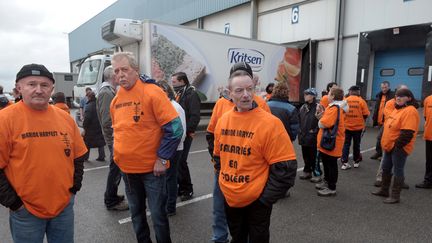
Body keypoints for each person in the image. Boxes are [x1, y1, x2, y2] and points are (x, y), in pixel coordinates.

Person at [0, 63, 87, 242]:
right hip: (26, 212)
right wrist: (14, 203)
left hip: (63, 207)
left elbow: (78, 156)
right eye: (32, 84)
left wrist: (73, 189)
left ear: (51, 89)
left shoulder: (64, 118)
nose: (39, 90)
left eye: (44, 85)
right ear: (19, 88)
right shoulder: (5, 119)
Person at [213, 68, 297, 243]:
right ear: (229, 94)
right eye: (239, 90)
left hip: (257, 201)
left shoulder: (270, 123)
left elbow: (286, 169)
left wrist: (263, 200)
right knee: (237, 237)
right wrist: (225, 185)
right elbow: (219, 159)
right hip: (230, 198)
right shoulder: (223, 121)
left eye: (250, 89)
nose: (246, 95)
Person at [110, 52, 183, 243]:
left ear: (136, 70)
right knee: (136, 215)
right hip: (127, 170)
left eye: (125, 69)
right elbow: (118, 130)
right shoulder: (116, 99)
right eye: (117, 71)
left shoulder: (152, 92)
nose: (121, 75)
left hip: (152, 170)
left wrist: (162, 158)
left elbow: (175, 129)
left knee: (158, 215)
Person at [206, 62, 272, 243]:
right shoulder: (221, 104)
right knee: (219, 206)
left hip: (250, 172)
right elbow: (211, 134)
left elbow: (268, 135)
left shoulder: (260, 104)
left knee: (252, 217)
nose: (244, 94)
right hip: (225, 170)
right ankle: (219, 237)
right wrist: (217, 163)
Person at [372, 88, 419, 203]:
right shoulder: (397, 109)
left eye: (402, 96)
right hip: (389, 146)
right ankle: (384, 190)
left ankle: (395, 196)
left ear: (409, 98)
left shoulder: (410, 111)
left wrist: (396, 146)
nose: (398, 98)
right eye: (397, 96)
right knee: (386, 168)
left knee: (398, 170)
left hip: (398, 148)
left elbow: (407, 133)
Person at [96, 66, 129, 211]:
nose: (121, 76)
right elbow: (107, 121)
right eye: (117, 73)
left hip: (115, 139)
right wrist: (115, 140)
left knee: (115, 169)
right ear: (112, 76)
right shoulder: (106, 92)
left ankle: (112, 196)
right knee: (115, 169)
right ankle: (111, 200)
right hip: (114, 140)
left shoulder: (109, 91)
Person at [157, 80, 187, 216]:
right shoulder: (163, 106)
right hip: (165, 148)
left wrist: (168, 150)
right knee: (165, 178)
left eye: (161, 91)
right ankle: (165, 204)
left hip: (174, 149)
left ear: (167, 92)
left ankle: (170, 207)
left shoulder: (175, 107)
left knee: (170, 178)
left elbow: (180, 132)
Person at [171, 72, 201, 201]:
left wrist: (188, 131)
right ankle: (180, 187)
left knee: (181, 161)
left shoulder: (191, 94)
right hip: (178, 133)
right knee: (177, 162)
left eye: (174, 82)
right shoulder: (179, 93)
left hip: (186, 133)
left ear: (182, 81)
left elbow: (195, 116)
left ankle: (187, 189)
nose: (173, 84)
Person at [374, 84, 409, 188]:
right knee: (385, 159)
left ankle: (399, 181)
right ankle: (380, 179)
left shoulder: (408, 106)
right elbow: (391, 118)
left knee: (399, 162)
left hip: (401, 137)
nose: (401, 96)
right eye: (401, 93)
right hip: (389, 134)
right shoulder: (390, 103)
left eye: (405, 93)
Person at [315, 87, 348, 196]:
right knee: (327, 163)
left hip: (331, 142)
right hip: (332, 141)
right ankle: (327, 182)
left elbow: (323, 123)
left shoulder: (334, 108)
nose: (327, 95)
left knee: (331, 164)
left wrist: (320, 118)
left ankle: (331, 187)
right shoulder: (338, 107)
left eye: (329, 93)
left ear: (333, 96)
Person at [340, 86, 370, 169]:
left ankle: (344, 162)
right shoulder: (361, 101)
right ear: (358, 92)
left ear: (350, 91)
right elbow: (366, 114)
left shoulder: (345, 100)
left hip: (346, 126)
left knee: (346, 144)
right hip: (358, 128)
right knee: (356, 145)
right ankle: (356, 161)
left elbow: (340, 112)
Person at [298, 88, 322, 181]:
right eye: (304, 94)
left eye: (307, 94)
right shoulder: (302, 107)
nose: (304, 96)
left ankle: (317, 174)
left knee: (314, 157)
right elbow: (299, 120)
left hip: (313, 136)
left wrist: (315, 131)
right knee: (305, 155)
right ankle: (307, 171)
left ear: (313, 96)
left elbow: (322, 121)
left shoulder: (318, 107)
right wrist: (299, 131)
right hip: (303, 136)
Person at [371, 81, 395, 160]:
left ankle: (383, 154)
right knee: (381, 138)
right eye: (382, 87)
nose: (384, 89)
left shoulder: (393, 96)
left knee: (381, 138)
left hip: (388, 121)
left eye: (385, 87)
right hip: (380, 121)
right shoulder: (379, 95)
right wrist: (374, 118)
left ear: (389, 87)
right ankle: (380, 153)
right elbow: (377, 108)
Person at [82, 91, 106, 162]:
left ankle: (86, 157)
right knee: (100, 142)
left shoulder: (88, 106)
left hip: (90, 127)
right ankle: (102, 156)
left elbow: (87, 118)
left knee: (87, 143)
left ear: (89, 97)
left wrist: (84, 127)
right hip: (99, 125)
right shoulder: (98, 104)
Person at [416, 92, 432, 188]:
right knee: (429, 160)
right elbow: (426, 117)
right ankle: (428, 181)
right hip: (430, 135)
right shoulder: (428, 100)